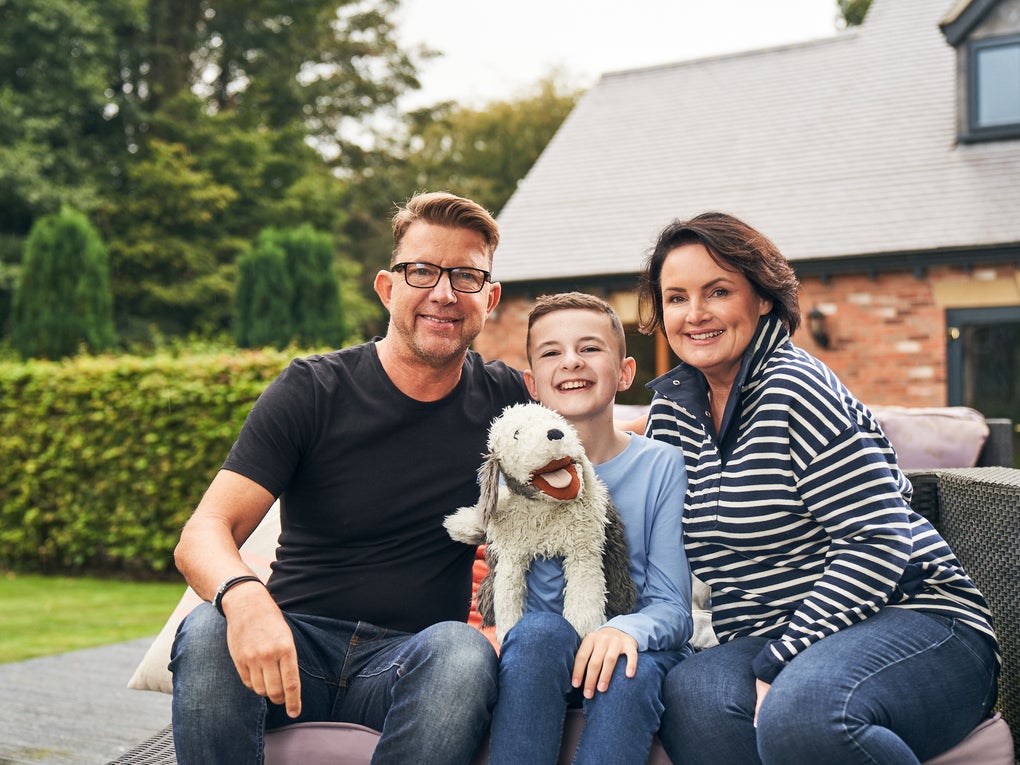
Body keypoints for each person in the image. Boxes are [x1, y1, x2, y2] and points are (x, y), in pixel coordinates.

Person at [169, 191, 531, 764]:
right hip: (292, 650)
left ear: (490, 298)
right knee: (210, 630)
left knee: (464, 652)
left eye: (465, 276)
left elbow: (595, 412)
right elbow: (203, 533)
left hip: (410, 664)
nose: (443, 293)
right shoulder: (312, 390)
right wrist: (245, 598)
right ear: (388, 287)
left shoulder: (509, 401)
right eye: (422, 272)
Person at [638, 212, 1000, 764]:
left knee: (804, 713)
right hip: (770, 635)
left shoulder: (797, 388)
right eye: (676, 298)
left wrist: (783, 658)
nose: (695, 314)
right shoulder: (671, 411)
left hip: (913, 619)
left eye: (717, 291)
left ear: (762, 299)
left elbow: (877, 542)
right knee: (691, 697)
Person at [486, 292, 694, 765]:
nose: (571, 362)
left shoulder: (662, 465)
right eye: (552, 352)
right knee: (540, 632)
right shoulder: (510, 474)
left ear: (624, 373)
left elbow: (673, 609)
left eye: (590, 348)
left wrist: (625, 631)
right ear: (532, 383)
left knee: (627, 667)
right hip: (540, 657)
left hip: (634, 653)